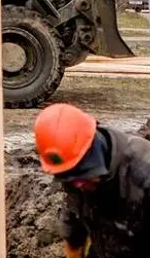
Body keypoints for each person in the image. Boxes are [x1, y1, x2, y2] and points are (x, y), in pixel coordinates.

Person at [33, 102, 150, 257]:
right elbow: (73, 220)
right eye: (72, 181)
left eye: (82, 178)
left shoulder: (142, 172)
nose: (78, 185)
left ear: (93, 154)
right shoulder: (73, 171)